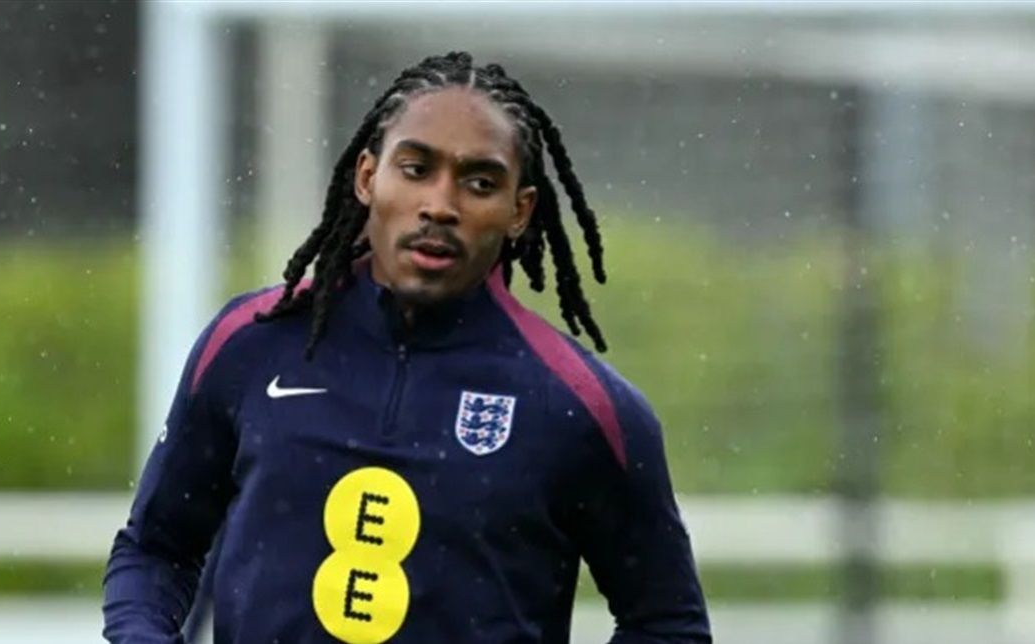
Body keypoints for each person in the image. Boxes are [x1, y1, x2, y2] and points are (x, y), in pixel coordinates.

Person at [103, 51, 710, 644]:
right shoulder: (252, 344)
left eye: (480, 183)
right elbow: (155, 548)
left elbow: (666, 623)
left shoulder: (582, 407)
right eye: (416, 169)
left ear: (520, 211)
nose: (440, 206)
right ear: (368, 177)